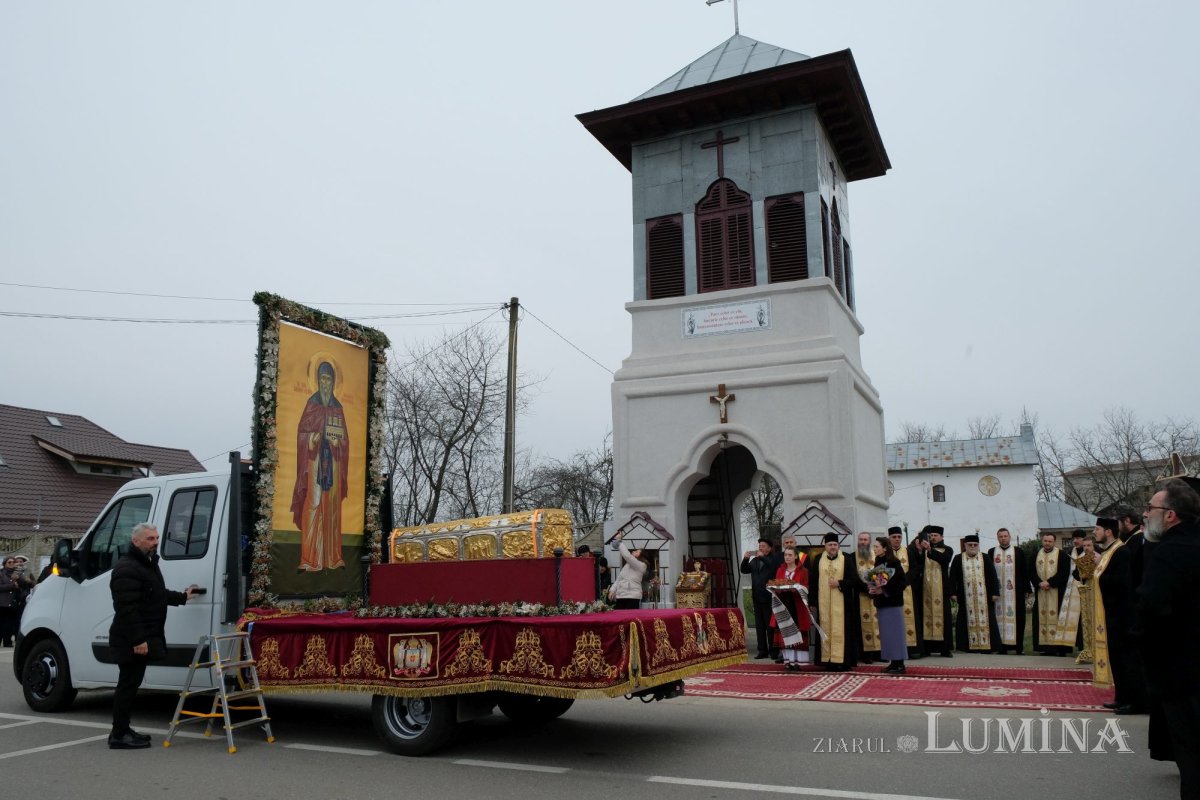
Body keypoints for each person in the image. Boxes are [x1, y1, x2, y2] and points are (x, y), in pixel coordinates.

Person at [1136, 478, 1200, 800]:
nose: (1146, 513)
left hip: (1181, 674)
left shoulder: (1168, 553)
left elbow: (1151, 612)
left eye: (1151, 508)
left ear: (1171, 515)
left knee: (1192, 759)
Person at [108, 523, 197, 749]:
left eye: (156, 538)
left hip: (140, 636)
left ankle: (124, 729)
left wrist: (183, 597)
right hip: (130, 640)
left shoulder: (146, 565)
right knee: (127, 686)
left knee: (131, 684)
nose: (155, 542)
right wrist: (138, 640)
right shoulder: (127, 568)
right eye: (150, 539)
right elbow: (126, 609)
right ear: (136, 541)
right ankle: (118, 734)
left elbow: (156, 594)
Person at [291, 360, 350, 572]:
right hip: (314, 461)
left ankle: (333, 558)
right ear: (317, 380)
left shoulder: (338, 408)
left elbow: (345, 440)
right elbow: (301, 434)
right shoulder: (312, 404)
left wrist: (338, 443)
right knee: (313, 505)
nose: (325, 383)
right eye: (322, 379)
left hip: (333, 462)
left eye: (329, 379)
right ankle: (309, 559)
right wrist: (313, 438)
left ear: (333, 382)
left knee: (332, 507)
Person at [1092, 516, 1143, 714]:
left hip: (1122, 616)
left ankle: (1134, 701)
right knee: (1116, 660)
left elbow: (1120, 583)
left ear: (1108, 532)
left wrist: (1099, 568)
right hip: (1110, 615)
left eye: (1097, 529)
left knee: (1126, 660)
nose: (1094, 532)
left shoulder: (1121, 552)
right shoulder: (1108, 552)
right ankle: (1121, 697)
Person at [808, 532, 862, 671]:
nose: (832, 547)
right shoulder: (819, 559)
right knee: (825, 629)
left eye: (834, 545)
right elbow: (813, 581)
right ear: (824, 546)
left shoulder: (847, 558)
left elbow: (855, 580)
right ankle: (828, 661)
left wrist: (840, 583)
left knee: (842, 631)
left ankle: (843, 661)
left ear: (838, 545)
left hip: (843, 605)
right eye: (829, 544)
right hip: (823, 604)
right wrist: (812, 602)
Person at [949, 535, 1000, 653]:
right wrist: (952, 593)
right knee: (964, 620)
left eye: (975, 545)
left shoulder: (985, 558)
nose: (972, 547)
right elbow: (952, 577)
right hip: (965, 597)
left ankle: (988, 647)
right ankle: (966, 647)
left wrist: (995, 592)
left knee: (988, 619)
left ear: (978, 545)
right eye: (970, 545)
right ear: (965, 545)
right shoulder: (958, 558)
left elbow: (993, 576)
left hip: (985, 597)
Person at [987, 527, 1031, 655]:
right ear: (997, 538)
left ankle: (1018, 648)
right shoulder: (992, 552)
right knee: (997, 619)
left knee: (1018, 619)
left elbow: (1024, 571)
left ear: (1009, 537)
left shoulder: (1018, 552)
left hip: (1015, 593)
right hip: (998, 594)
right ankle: (1001, 647)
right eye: (1000, 536)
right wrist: (991, 591)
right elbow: (989, 574)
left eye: (1005, 536)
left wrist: (1027, 589)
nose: (1003, 538)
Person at [868, 536, 908, 675]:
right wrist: (872, 588)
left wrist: (883, 590)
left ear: (885, 548)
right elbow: (878, 581)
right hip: (883, 603)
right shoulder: (879, 561)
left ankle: (900, 664)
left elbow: (902, 583)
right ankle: (893, 662)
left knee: (896, 634)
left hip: (893, 603)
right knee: (887, 635)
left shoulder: (893, 562)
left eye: (877, 547)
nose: (874, 549)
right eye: (874, 547)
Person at [769, 546, 811, 671]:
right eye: (786, 555)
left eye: (790, 555)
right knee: (785, 633)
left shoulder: (803, 571)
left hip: (796, 605)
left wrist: (796, 588)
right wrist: (775, 587)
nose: (787, 557)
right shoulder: (780, 570)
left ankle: (797, 661)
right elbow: (776, 584)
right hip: (783, 604)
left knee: (796, 632)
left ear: (796, 556)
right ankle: (788, 661)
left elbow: (806, 588)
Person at [1029, 532, 1071, 655]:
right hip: (1041, 591)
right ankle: (1045, 648)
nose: (1047, 543)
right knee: (1041, 618)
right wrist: (1039, 583)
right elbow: (1031, 571)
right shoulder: (1036, 554)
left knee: (1059, 618)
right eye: (1045, 541)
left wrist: (1050, 582)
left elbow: (1064, 572)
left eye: (1050, 541)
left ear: (1054, 542)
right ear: (1042, 541)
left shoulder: (1062, 555)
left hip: (1057, 592)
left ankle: (1060, 649)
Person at [888, 526, 923, 659]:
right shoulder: (886, 553)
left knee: (909, 618)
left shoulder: (908, 551)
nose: (897, 539)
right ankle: (894, 650)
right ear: (889, 538)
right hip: (891, 592)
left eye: (899, 537)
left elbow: (916, 568)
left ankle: (912, 649)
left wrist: (905, 580)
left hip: (906, 589)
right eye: (894, 537)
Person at [919, 526, 954, 658]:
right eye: (931, 535)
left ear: (942, 537)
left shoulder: (948, 549)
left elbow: (944, 559)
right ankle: (927, 648)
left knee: (944, 619)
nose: (933, 537)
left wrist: (930, 549)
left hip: (941, 590)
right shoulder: (923, 551)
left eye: (936, 535)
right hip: (926, 590)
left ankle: (945, 649)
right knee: (926, 618)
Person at [741, 538, 779, 660]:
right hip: (757, 597)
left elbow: (773, 568)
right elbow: (744, 570)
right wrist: (746, 559)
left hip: (768, 597)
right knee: (759, 625)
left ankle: (773, 650)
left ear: (769, 548)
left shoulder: (773, 559)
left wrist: (762, 557)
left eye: (763, 546)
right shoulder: (755, 560)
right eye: (760, 545)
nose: (760, 548)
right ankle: (762, 650)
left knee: (770, 626)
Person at [853, 531, 881, 663]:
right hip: (860, 596)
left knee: (878, 624)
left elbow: (882, 573)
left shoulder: (877, 555)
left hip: (877, 596)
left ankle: (879, 653)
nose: (863, 542)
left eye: (865, 540)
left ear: (870, 541)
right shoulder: (852, 557)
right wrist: (867, 588)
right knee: (862, 625)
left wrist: (876, 588)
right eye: (861, 540)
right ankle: (866, 655)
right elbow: (853, 577)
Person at [0, 557, 34, 647]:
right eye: (9, 562)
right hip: (2, 603)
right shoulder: (1, 573)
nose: (12, 563)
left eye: (13, 562)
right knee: (1, 623)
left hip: (13, 603)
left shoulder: (17, 573)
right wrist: (12, 585)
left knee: (10, 625)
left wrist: (26, 578)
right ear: (5, 563)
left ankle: (7, 642)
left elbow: (29, 584)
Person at [609, 532, 647, 610]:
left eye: (637, 551)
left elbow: (627, 556)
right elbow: (619, 579)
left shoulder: (641, 565)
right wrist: (612, 590)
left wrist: (619, 542)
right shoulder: (627, 565)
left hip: (632, 596)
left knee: (631, 620)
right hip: (621, 595)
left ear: (641, 556)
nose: (634, 551)